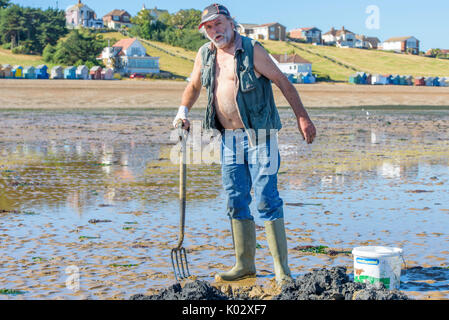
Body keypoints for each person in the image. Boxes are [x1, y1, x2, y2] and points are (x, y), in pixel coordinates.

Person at [173, 3, 316, 285]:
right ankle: (244, 265)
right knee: (235, 199)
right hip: (228, 139)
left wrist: (303, 118)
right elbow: (193, 86)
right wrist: (183, 112)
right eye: (209, 27)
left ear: (231, 23)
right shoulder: (205, 55)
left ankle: (281, 269)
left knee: (266, 198)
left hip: (260, 136)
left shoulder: (252, 50)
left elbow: (283, 82)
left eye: (219, 24)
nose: (215, 31)